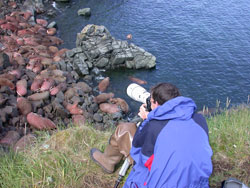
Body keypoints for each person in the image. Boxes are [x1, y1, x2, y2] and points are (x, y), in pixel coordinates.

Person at [90, 83, 213, 188]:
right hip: (197, 183)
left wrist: (148, 120)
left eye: (152, 102)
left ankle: (107, 161)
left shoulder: (155, 126)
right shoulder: (199, 119)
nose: (150, 104)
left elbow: (139, 155)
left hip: (159, 183)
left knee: (124, 129)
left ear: (158, 104)